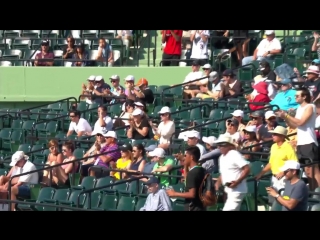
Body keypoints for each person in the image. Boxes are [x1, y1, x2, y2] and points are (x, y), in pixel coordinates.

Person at [277, 88, 320, 189]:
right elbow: (294, 125)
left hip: (309, 141)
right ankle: (313, 192)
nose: (295, 97)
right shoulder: (299, 108)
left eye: (297, 96)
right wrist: (284, 117)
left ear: (304, 97)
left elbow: (301, 122)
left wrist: (287, 115)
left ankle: (318, 194)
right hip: (301, 143)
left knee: (314, 169)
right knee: (307, 170)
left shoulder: (310, 106)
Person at [256, 126, 298, 193]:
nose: (272, 136)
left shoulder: (288, 147)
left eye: (275, 134)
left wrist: (283, 172)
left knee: (283, 200)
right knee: (273, 201)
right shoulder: (273, 146)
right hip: (274, 178)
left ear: (282, 136)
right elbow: (271, 163)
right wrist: (261, 173)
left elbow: (294, 163)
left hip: (284, 179)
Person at [214, 135, 250, 211]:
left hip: (237, 190)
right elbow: (222, 173)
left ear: (229, 146)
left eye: (222, 145)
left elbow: (247, 169)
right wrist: (217, 184)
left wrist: (237, 182)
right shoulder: (221, 157)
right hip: (227, 189)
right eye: (218, 145)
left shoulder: (234, 154)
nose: (219, 147)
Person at [166, 146, 206, 211]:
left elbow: (192, 194)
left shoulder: (192, 173)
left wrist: (175, 193)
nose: (184, 157)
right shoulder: (201, 169)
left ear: (192, 157)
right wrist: (185, 165)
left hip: (193, 207)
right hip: (201, 206)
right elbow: (187, 180)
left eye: (185, 155)